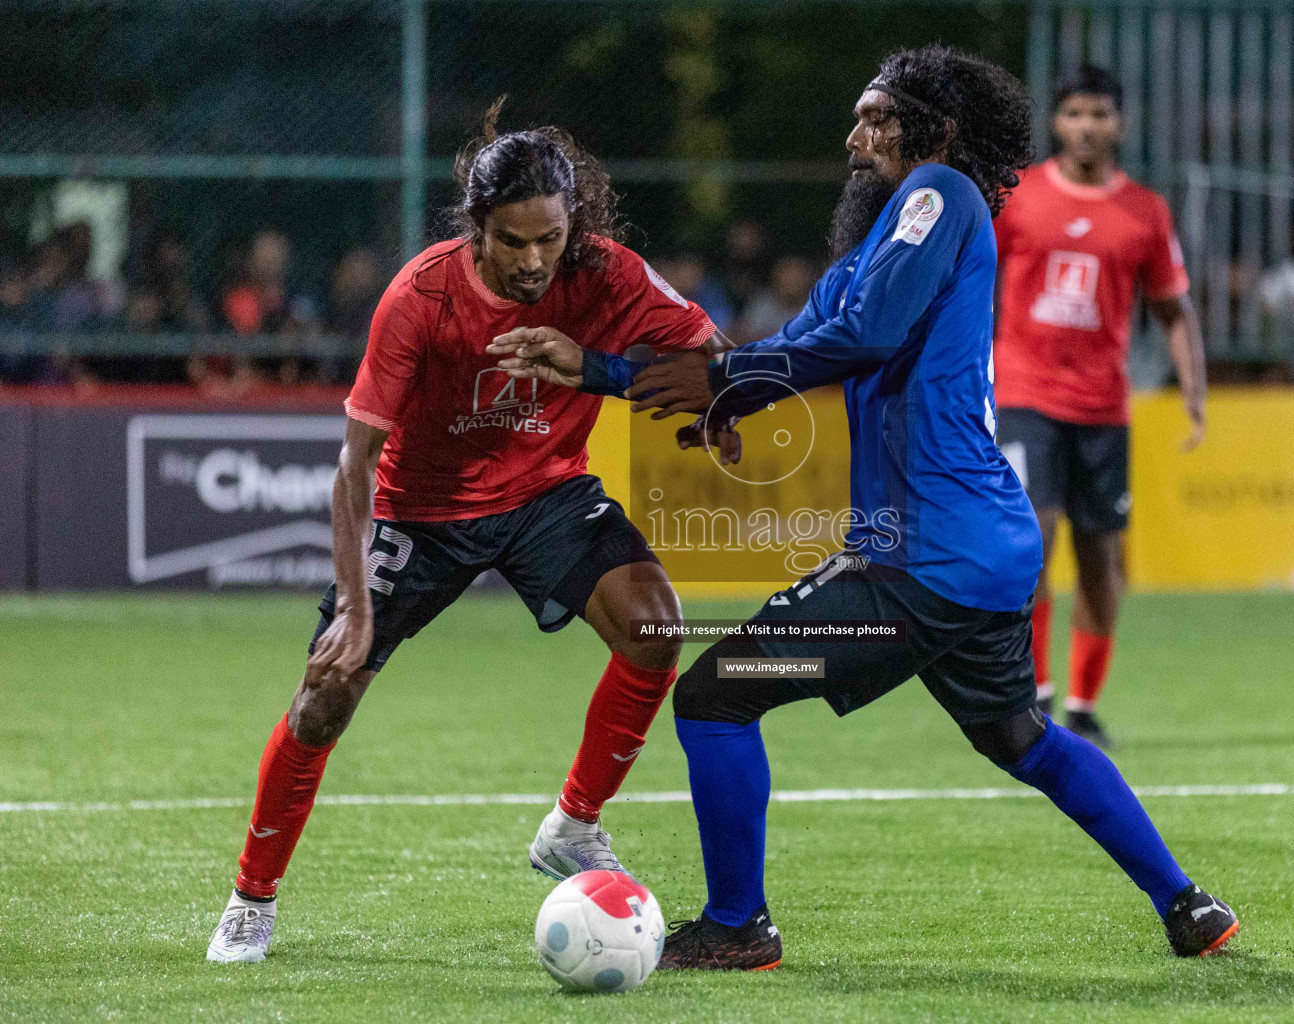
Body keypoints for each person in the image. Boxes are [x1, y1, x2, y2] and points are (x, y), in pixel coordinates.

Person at [509, 45, 1238, 971]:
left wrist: (724, 380)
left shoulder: (939, 190)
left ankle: (739, 926)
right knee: (1021, 737)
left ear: (935, 129)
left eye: (874, 117)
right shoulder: (878, 247)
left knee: (716, 698)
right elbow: (810, 345)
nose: (854, 136)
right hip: (974, 554)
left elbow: (862, 338)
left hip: (919, 561)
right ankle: (1188, 906)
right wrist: (627, 375)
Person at [205, 100, 738, 964]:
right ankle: (251, 898)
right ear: (477, 227)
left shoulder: (607, 274)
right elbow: (354, 464)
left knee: (656, 625)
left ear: (575, 223)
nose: (535, 261)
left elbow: (712, 355)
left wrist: (705, 403)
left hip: (547, 494)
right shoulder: (420, 297)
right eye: (514, 241)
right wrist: (352, 601)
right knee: (324, 696)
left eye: (551, 239)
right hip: (424, 513)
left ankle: (574, 826)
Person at [992, 65, 1207, 748]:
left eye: (1101, 114)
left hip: (1103, 407)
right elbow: (967, 281)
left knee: (1100, 559)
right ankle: (1036, 696)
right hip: (1025, 394)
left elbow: (1174, 310)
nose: (1089, 126)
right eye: (1076, 113)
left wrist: (1193, 391)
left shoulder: (1145, 211)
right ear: (1057, 123)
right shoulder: (1017, 198)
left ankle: (1082, 705)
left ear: (1119, 124)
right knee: (1033, 542)